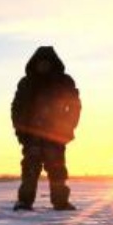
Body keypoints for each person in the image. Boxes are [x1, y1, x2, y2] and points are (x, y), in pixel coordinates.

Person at [11, 46, 81, 211]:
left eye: (46, 63)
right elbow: (16, 108)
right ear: (34, 63)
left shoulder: (64, 81)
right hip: (31, 135)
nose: (43, 66)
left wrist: (67, 129)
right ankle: (25, 202)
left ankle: (61, 202)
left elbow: (75, 107)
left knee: (57, 168)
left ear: (53, 64)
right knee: (30, 168)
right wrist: (20, 131)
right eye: (40, 63)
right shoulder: (26, 83)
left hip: (55, 135)